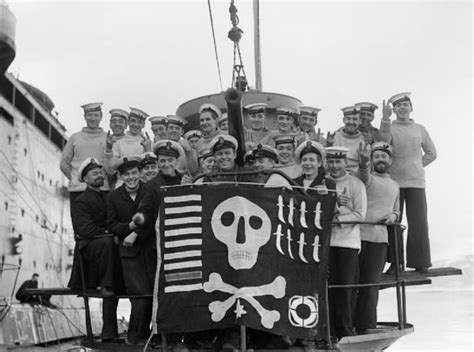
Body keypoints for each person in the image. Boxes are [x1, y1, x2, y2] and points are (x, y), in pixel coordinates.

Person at [379, 92, 437, 273]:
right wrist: (385, 119)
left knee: (419, 222)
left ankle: (421, 262)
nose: (402, 108)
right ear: (394, 110)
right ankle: (396, 263)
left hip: (416, 183)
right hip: (394, 183)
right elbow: (383, 143)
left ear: (411, 108)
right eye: (398, 106)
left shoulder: (420, 129)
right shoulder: (390, 127)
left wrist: (416, 166)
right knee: (394, 222)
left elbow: (431, 153)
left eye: (405, 105)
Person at [68, 158, 122, 342]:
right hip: (89, 250)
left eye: (101, 172)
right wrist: (110, 233)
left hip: (107, 252)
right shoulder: (80, 201)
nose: (99, 176)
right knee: (108, 243)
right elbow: (85, 230)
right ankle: (107, 283)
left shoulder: (109, 198)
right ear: (85, 178)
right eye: (94, 173)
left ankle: (109, 333)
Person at [107, 156, 153, 345]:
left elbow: (153, 217)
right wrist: (130, 228)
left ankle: (149, 335)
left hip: (150, 249)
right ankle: (136, 337)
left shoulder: (149, 191)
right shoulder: (113, 196)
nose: (131, 177)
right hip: (129, 253)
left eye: (134, 173)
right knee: (139, 296)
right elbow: (111, 223)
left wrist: (136, 233)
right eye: (127, 174)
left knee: (151, 295)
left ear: (140, 174)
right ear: (121, 176)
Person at [354, 141, 400, 334]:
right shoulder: (367, 179)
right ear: (372, 160)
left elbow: (397, 210)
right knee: (351, 283)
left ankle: (366, 326)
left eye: (384, 156)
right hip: (358, 238)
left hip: (380, 241)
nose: (380, 159)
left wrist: (393, 216)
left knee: (371, 286)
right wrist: (364, 163)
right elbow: (362, 174)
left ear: (390, 160)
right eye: (377, 156)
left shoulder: (395, 184)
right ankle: (346, 326)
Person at [325, 146, 367, 339]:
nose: (334, 166)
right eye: (331, 161)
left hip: (348, 243)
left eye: (338, 162)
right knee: (328, 286)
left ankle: (345, 329)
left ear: (344, 162)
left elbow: (360, 214)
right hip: (326, 243)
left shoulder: (356, 184)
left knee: (345, 287)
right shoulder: (323, 183)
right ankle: (329, 329)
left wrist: (336, 219)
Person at [60, 102, 109, 206]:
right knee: (80, 221)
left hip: (101, 189)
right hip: (78, 190)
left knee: (102, 222)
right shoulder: (75, 138)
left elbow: (111, 164)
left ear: (101, 117)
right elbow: (64, 164)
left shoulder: (108, 138)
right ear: (84, 117)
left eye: (96, 115)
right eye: (90, 115)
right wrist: (77, 179)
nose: (93, 118)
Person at [105, 107, 152, 182]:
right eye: (133, 121)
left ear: (143, 125)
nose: (136, 124)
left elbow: (152, 170)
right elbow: (110, 171)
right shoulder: (119, 143)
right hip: (122, 184)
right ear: (128, 122)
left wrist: (148, 150)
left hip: (143, 184)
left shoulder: (148, 143)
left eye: (139, 122)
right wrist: (108, 149)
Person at [326, 106, 365, 175]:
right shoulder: (334, 137)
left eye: (355, 119)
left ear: (360, 121)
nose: (351, 122)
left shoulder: (364, 140)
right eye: (348, 119)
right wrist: (329, 145)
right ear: (344, 120)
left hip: (355, 176)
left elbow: (365, 165)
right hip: (334, 174)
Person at [106, 108, 129, 189]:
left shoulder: (130, 142)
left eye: (121, 121)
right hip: (104, 188)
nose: (117, 124)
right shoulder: (104, 140)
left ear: (126, 125)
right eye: (114, 121)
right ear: (110, 124)